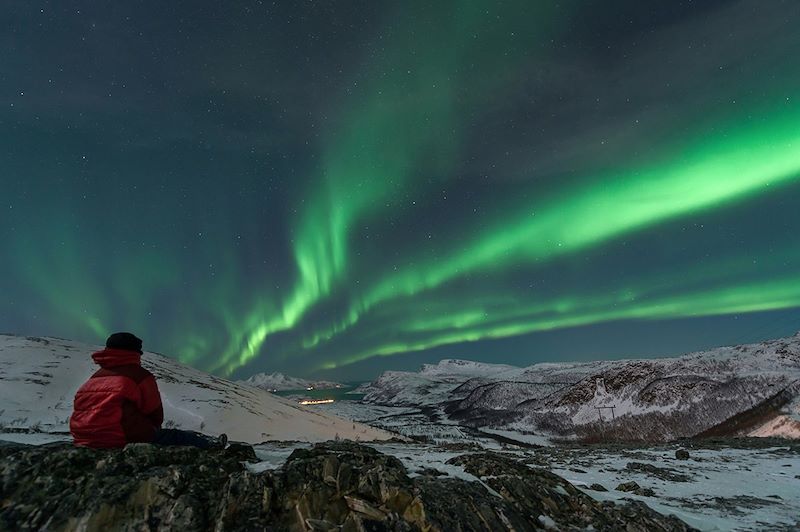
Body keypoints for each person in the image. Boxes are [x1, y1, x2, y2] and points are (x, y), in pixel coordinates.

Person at [69, 332, 226, 450]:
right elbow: (155, 414)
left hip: (83, 438)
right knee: (179, 436)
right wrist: (150, 431)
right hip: (121, 437)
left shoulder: (93, 378)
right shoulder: (139, 376)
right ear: (134, 353)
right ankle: (213, 448)